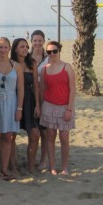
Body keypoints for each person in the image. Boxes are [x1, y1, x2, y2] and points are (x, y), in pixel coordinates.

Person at [0, 37, 24, 179]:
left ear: (10, 49)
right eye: (0, 47)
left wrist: (19, 109)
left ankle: (5, 167)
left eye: (5, 47)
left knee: (8, 137)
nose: (3, 50)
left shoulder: (16, 66)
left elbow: (20, 90)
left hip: (11, 103)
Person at [40, 41, 76, 175]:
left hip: (64, 107)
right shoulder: (44, 69)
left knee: (64, 137)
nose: (52, 54)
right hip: (49, 106)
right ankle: (53, 167)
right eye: (49, 52)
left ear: (59, 51)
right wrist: (39, 106)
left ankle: (65, 167)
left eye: (54, 51)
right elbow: (43, 89)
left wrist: (69, 109)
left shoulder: (67, 67)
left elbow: (72, 89)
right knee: (50, 136)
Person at [11, 37, 40, 174]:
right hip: (13, 100)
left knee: (35, 134)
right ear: (15, 48)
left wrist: (37, 105)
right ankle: (13, 166)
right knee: (11, 136)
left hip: (29, 100)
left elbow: (36, 85)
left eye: (26, 47)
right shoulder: (10, 63)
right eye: (22, 46)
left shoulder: (31, 63)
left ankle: (31, 166)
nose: (25, 49)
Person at [30, 29, 48, 168]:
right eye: (35, 40)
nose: (37, 43)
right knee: (33, 129)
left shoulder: (49, 57)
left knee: (44, 130)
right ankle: (32, 159)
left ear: (43, 41)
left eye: (40, 40)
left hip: (45, 95)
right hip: (30, 94)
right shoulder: (27, 57)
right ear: (31, 41)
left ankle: (43, 160)